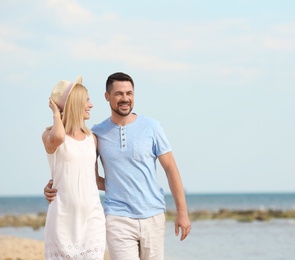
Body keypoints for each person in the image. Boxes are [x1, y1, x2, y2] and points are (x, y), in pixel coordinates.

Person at [45, 72, 191, 260]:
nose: (125, 99)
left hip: (153, 214)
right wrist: (54, 185)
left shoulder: (152, 127)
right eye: (119, 94)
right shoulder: (97, 133)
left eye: (129, 93)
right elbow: (85, 172)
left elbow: (171, 169)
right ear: (107, 97)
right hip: (117, 217)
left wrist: (182, 213)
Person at [42, 77, 106, 259]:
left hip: (92, 220)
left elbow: (94, 179)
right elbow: (59, 137)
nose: (91, 105)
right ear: (74, 103)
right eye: (86, 100)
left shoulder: (91, 138)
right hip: (62, 220)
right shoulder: (49, 135)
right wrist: (56, 113)